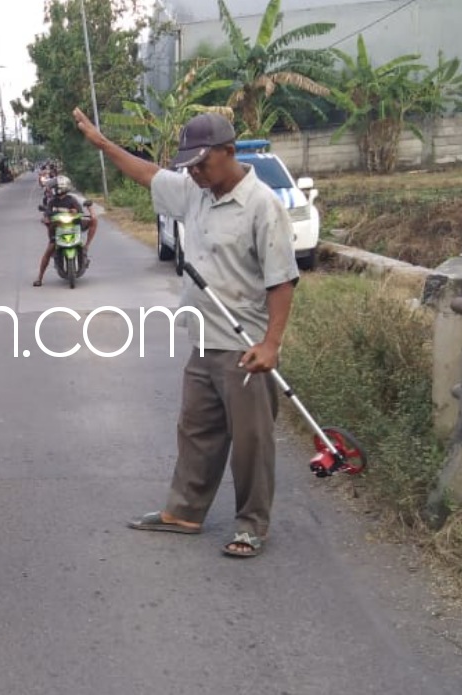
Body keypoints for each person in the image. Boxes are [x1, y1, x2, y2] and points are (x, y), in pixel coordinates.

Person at [72, 108, 299, 559]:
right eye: (189, 165)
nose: (193, 172)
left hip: (244, 346)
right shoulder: (196, 192)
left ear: (229, 153)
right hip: (202, 339)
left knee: (251, 442)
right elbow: (148, 174)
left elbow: (282, 281)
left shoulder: (262, 206)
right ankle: (186, 511)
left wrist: (271, 344)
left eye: (202, 163)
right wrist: (103, 144)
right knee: (196, 430)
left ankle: (252, 523)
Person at [33, 175, 95, 287]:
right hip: (58, 230)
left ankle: (86, 246)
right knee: (48, 251)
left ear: (60, 187)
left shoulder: (72, 200)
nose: (52, 190)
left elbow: (80, 212)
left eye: (54, 187)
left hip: (74, 227)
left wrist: (75, 211)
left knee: (94, 220)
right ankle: (39, 277)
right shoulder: (52, 202)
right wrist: (46, 219)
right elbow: (47, 214)